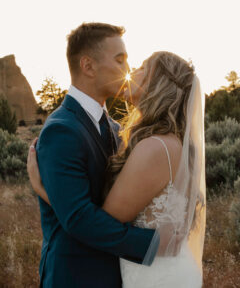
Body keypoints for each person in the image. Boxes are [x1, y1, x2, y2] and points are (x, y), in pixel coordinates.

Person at [28, 48, 206, 287]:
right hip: (163, 269)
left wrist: (44, 190)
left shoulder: (154, 148)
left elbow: (102, 221)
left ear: (159, 84)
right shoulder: (170, 142)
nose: (133, 71)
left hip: (155, 277)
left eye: (143, 67)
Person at [28, 22, 163, 288]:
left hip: (113, 273)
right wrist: (151, 245)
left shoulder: (113, 126)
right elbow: (78, 218)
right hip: (75, 276)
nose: (127, 70)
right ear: (88, 66)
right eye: (120, 60)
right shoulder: (61, 130)